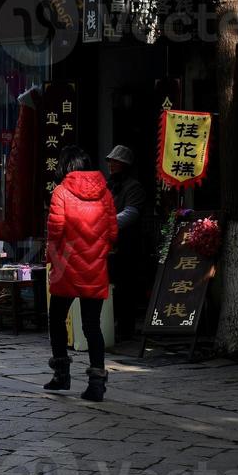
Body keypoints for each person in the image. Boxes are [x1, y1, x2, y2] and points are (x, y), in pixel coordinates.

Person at [44, 147, 117, 402]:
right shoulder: (105, 193)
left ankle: (61, 375)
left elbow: (55, 231)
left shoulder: (61, 192)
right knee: (91, 326)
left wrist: (51, 257)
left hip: (67, 266)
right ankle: (97, 383)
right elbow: (113, 231)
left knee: (56, 319)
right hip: (95, 267)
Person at [105, 145, 149, 340]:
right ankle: (111, 324)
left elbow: (131, 214)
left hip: (127, 243)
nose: (112, 165)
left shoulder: (134, 187)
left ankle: (126, 328)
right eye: (111, 161)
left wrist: (104, 224)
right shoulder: (108, 185)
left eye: (116, 162)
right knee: (111, 285)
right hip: (109, 243)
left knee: (126, 287)